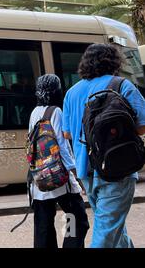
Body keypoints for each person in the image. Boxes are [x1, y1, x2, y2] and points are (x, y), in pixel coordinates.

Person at [62, 43, 145, 248]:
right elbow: (142, 127)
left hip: (85, 170)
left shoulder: (72, 92)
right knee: (107, 232)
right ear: (114, 62)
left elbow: (66, 133)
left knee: (113, 226)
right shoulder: (121, 85)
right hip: (117, 168)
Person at [29, 74, 89, 248]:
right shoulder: (56, 111)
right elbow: (62, 146)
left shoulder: (35, 112)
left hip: (39, 178)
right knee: (75, 218)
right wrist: (76, 173)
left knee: (43, 225)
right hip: (59, 178)